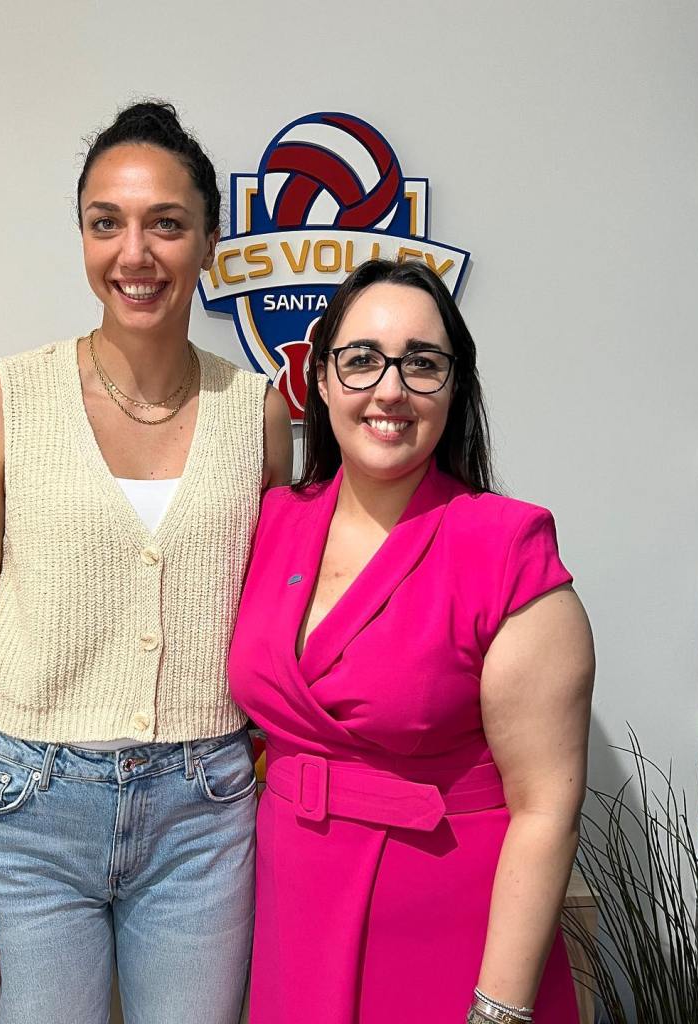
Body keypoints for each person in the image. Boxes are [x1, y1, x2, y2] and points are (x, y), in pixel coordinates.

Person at [0, 100, 292, 1024]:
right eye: (106, 223)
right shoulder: (0, 403)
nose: (135, 253)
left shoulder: (258, 414)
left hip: (205, 815)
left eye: (166, 223)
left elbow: (271, 629)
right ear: (83, 237)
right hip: (29, 817)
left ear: (209, 241)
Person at [229, 258, 594, 1023]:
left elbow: (545, 810)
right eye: (361, 359)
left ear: (454, 389)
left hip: (448, 934)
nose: (389, 389)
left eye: (422, 364)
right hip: (292, 917)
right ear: (320, 378)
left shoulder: (506, 548)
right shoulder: (271, 521)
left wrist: (497, 1010)